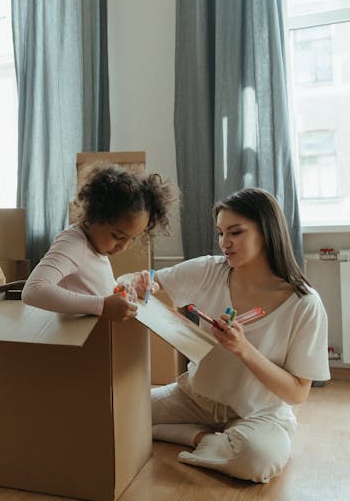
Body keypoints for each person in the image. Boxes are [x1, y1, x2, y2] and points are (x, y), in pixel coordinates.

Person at [140, 187, 329, 483]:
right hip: (194, 396)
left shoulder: (305, 304)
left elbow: (297, 392)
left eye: (235, 233)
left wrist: (244, 349)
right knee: (119, 411)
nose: (224, 243)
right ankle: (205, 436)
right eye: (220, 233)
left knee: (256, 459)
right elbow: (148, 281)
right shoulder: (209, 270)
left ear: (266, 232)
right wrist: (142, 283)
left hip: (259, 413)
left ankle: (192, 436)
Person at [22, 163, 177, 321]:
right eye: (118, 236)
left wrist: (124, 291)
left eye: (132, 239)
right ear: (96, 215)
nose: (123, 247)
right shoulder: (73, 243)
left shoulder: (95, 248)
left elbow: (92, 290)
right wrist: (101, 305)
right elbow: (33, 291)